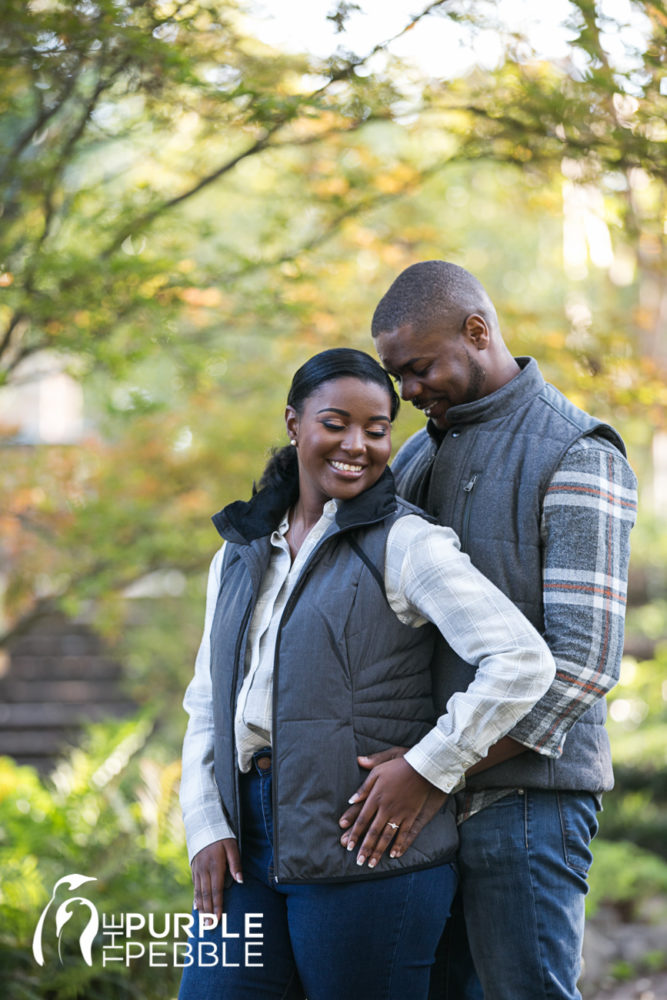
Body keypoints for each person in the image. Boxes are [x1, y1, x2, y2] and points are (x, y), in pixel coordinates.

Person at [178, 347, 556, 1000]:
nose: (356, 444)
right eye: (335, 423)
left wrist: (429, 764)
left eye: (376, 429)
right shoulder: (239, 551)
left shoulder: (407, 544)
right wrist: (204, 824)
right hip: (248, 846)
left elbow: (522, 662)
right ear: (293, 423)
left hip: (369, 852)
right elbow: (208, 702)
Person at [338, 261, 638, 1000]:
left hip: (526, 802)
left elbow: (584, 664)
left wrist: (434, 766)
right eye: (395, 375)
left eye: (419, 368)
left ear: (477, 331)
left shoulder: (577, 454)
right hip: (422, 802)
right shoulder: (412, 457)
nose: (406, 392)